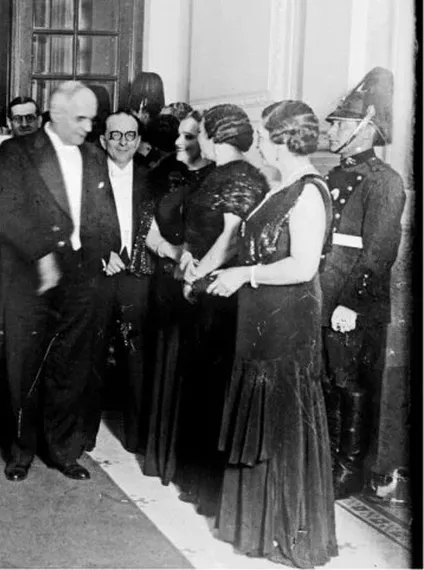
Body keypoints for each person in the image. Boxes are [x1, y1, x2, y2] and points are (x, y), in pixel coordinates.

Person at [206, 99, 337, 567]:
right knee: (265, 417)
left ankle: (285, 531)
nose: (257, 140)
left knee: (281, 421)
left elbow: (302, 267)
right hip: (263, 320)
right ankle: (258, 528)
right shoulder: (279, 187)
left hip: (286, 321)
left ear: (284, 139)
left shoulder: (308, 192)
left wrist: (245, 276)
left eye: (264, 133)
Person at [0, 81, 107, 482]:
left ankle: (62, 450)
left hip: (79, 276)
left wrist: (98, 258)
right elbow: (7, 212)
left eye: (92, 119)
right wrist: (43, 256)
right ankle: (21, 452)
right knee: (26, 366)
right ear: (56, 115)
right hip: (32, 275)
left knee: (71, 365)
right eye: (81, 118)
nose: (89, 127)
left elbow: (101, 213)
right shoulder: (17, 151)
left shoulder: (94, 156)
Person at [175, 103, 267, 516]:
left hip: (224, 295)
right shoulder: (218, 174)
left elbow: (231, 239)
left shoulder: (243, 177)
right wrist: (188, 261)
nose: (199, 141)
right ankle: (199, 483)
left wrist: (198, 274)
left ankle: (213, 490)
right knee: (201, 385)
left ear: (217, 136)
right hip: (206, 285)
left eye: (202, 134)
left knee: (215, 388)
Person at [319, 67, 406, 501]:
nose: (330, 128)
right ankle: (326, 459)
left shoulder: (385, 183)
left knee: (348, 384)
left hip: (353, 303)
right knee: (325, 381)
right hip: (323, 295)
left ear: (365, 128)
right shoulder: (333, 176)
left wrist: (351, 302)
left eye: (339, 122)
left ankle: (349, 468)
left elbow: (379, 252)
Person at [142, 109, 214, 483]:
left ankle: (189, 466)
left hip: (203, 288)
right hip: (166, 279)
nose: (179, 143)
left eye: (190, 136)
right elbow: (148, 230)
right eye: (179, 135)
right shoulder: (163, 173)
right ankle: (160, 456)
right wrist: (174, 254)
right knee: (164, 362)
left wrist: (196, 265)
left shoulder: (221, 177)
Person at [95, 110, 155, 454]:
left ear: (138, 141)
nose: (122, 142)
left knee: (136, 358)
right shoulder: (87, 177)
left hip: (136, 277)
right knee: (93, 354)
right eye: (115, 135)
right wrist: (104, 253)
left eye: (129, 135)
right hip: (99, 276)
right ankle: (83, 436)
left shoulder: (150, 178)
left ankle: (136, 437)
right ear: (103, 140)